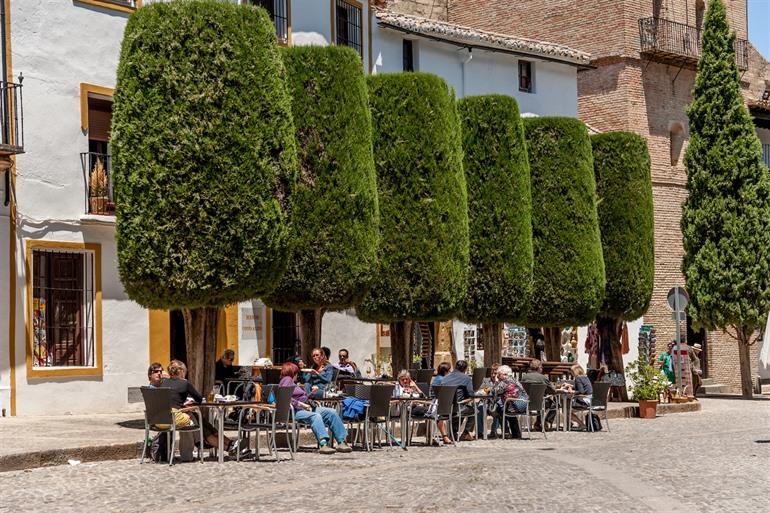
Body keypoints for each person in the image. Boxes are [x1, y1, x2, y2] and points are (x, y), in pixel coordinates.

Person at [160, 360, 238, 453]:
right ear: (181, 371)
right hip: (176, 418)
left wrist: (182, 404)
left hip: (163, 418)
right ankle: (229, 447)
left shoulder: (163, 383)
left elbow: (170, 400)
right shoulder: (185, 383)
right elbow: (199, 399)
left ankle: (229, 444)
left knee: (199, 418)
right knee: (200, 422)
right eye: (185, 372)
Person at [278, 361, 352, 454]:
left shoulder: (292, 382)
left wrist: (311, 394)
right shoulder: (286, 380)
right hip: (294, 411)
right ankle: (323, 444)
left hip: (305, 409)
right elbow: (285, 398)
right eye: (296, 372)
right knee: (315, 416)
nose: (297, 375)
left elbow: (303, 398)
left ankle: (341, 441)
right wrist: (301, 404)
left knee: (331, 412)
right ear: (292, 372)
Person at [440, 360, 477, 441]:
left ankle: (453, 433)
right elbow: (471, 394)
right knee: (474, 410)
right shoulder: (466, 378)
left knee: (461, 410)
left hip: (444, 408)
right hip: (458, 407)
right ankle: (466, 433)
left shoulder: (445, 378)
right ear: (465, 369)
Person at [491, 365, 528, 439]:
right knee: (506, 408)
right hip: (523, 404)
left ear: (505, 374)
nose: (498, 376)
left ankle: (506, 432)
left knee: (499, 409)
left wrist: (496, 381)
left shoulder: (505, 381)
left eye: (499, 374)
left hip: (515, 406)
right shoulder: (515, 380)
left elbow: (494, 391)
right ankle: (516, 433)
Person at [521, 358, 556, 431]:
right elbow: (553, 390)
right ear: (539, 368)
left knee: (540, 400)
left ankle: (538, 422)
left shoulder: (524, 377)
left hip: (527, 402)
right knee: (555, 405)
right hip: (541, 402)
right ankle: (546, 421)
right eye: (541, 367)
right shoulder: (543, 378)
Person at [564, 363, 592, 430]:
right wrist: (571, 386)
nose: (571, 373)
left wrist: (571, 391)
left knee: (566, 410)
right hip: (590, 400)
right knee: (568, 405)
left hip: (583, 401)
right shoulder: (585, 377)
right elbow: (581, 388)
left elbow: (581, 391)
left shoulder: (578, 378)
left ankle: (581, 424)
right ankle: (570, 424)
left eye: (572, 372)